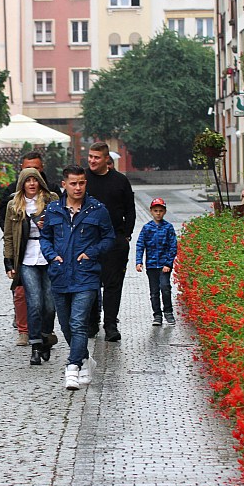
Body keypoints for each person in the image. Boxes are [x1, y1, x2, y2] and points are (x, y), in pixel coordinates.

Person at [40, 165, 114, 391]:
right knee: (66, 326)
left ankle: (72, 367)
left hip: (86, 275)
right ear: (64, 185)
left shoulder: (97, 209)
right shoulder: (53, 210)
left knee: (78, 322)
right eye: (73, 183)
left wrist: (91, 253)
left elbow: (109, 238)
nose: (78, 187)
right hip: (60, 275)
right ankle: (84, 359)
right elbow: (45, 237)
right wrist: (51, 256)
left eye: (82, 182)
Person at [0, 151, 57, 347]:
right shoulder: (13, 205)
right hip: (26, 258)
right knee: (34, 302)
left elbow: (63, 227)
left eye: (35, 179)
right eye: (27, 180)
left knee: (49, 305)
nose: (32, 183)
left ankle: (46, 333)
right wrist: (8, 262)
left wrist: (48, 225)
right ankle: (35, 342)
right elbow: (8, 235)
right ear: (21, 183)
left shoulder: (52, 200)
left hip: (48, 256)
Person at [84, 141, 135, 342]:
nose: (92, 160)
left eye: (96, 157)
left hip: (115, 240)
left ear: (107, 159)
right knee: (90, 283)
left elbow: (130, 210)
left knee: (113, 284)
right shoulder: (83, 179)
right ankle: (91, 322)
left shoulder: (120, 181)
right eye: (90, 156)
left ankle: (111, 324)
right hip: (88, 241)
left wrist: (126, 234)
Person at [135, 198, 178, 326]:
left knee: (165, 288)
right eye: (155, 211)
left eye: (160, 211)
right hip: (152, 265)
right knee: (154, 292)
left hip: (164, 265)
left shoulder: (168, 227)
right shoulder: (147, 228)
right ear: (151, 211)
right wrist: (139, 261)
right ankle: (157, 315)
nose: (158, 213)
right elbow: (140, 245)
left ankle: (168, 312)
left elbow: (173, 246)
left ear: (164, 212)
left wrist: (168, 263)